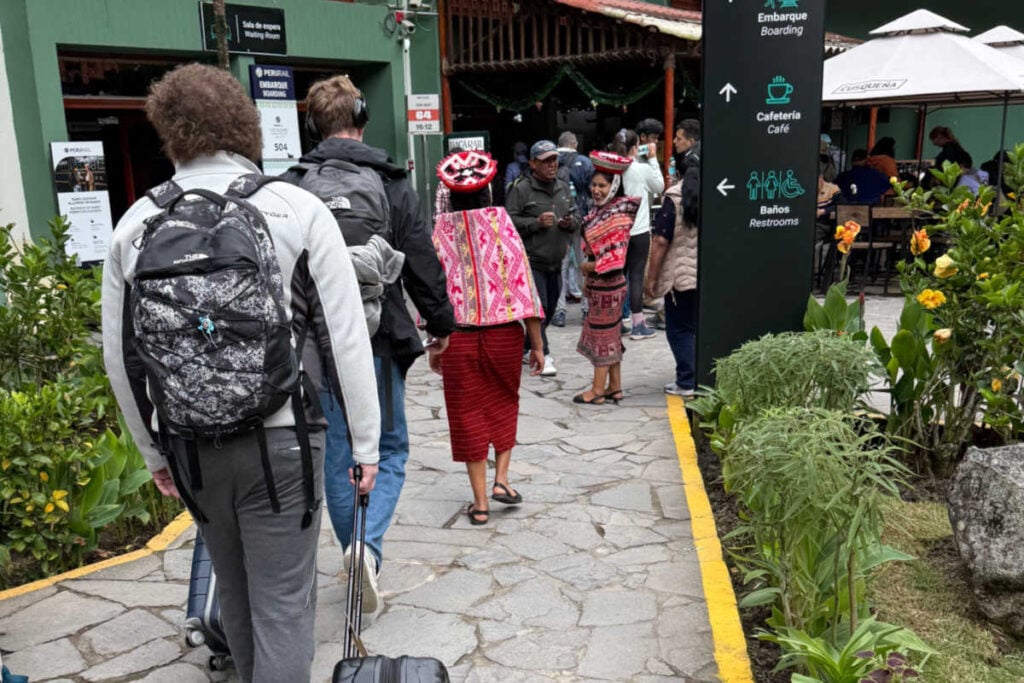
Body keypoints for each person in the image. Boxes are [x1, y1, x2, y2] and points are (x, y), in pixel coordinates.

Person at [102, 64, 381, 682]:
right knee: (284, 605)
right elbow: (345, 337)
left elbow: (120, 358)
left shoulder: (134, 225)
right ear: (245, 124)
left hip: (191, 445)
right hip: (285, 441)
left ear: (168, 131)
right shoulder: (297, 209)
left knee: (236, 595)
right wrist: (365, 443)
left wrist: (153, 453)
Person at [281, 74, 456, 613]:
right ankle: (367, 546)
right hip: (379, 335)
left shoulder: (290, 186)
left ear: (313, 123)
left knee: (339, 451)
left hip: (314, 343)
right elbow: (420, 260)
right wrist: (440, 324)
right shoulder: (392, 182)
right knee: (390, 445)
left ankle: (351, 545)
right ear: (362, 115)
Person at [430, 150, 545, 525]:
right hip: (504, 336)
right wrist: (538, 343)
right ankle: (502, 480)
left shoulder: (441, 229)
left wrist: (435, 339)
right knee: (504, 400)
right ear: (487, 192)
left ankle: (480, 504)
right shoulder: (502, 222)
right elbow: (522, 282)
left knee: (465, 414)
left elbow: (434, 288)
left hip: (458, 338)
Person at [505, 139, 582, 377]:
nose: (552, 165)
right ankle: (544, 353)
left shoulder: (562, 186)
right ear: (533, 163)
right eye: (546, 161)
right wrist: (535, 223)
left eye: (554, 160)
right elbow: (508, 222)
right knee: (541, 309)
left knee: (548, 312)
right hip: (531, 260)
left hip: (555, 260)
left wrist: (571, 223)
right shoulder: (521, 189)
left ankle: (528, 347)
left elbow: (576, 213)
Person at [574, 151, 639, 405]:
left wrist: (586, 267)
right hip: (609, 288)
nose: (596, 190)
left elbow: (613, 261)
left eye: (602, 185)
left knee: (602, 337)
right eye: (594, 184)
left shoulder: (615, 216)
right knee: (611, 337)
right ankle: (616, 387)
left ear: (614, 186)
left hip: (607, 287)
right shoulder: (606, 211)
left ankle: (597, 390)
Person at [645, 118, 701, 398]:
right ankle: (698, 377)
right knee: (696, 327)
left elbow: (661, 241)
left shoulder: (674, 197)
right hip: (704, 275)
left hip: (679, 278)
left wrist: (651, 279)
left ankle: (687, 380)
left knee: (679, 330)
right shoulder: (715, 194)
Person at [611, 128, 664, 340]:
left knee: (616, 277)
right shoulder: (639, 169)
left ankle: (615, 322)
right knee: (635, 275)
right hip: (638, 229)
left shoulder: (610, 168)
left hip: (616, 231)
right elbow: (659, 186)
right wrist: (652, 159)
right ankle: (638, 324)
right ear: (635, 148)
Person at [553, 131, 594, 327]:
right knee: (583, 262)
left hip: (558, 218)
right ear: (575, 144)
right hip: (582, 218)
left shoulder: (550, 160)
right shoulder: (584, 162)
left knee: (560, 265)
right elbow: (592, 189)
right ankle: (586, 308)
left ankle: (559, 310)